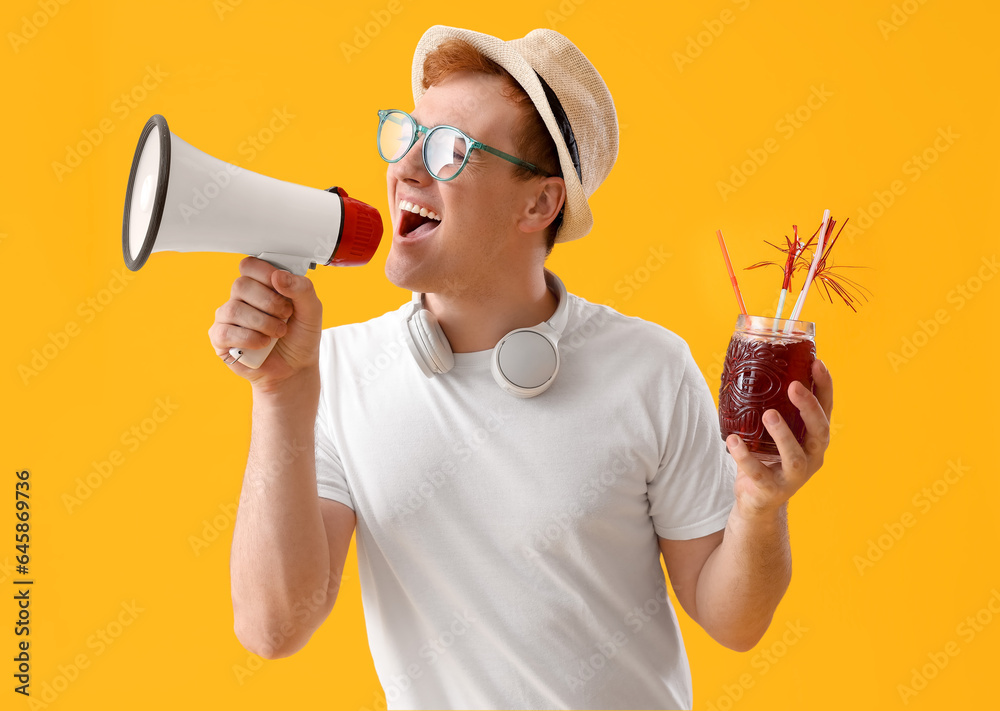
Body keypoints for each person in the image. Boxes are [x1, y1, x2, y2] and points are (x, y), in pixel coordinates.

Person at [208, 25, 834, 711]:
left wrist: (760, 505)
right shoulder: (334, 372)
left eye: (449, 150)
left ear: (539, 202)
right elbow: (273, 626)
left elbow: (733, 618)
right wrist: (279, 393)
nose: (406, 169)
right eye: (408, 134)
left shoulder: (650, 367)